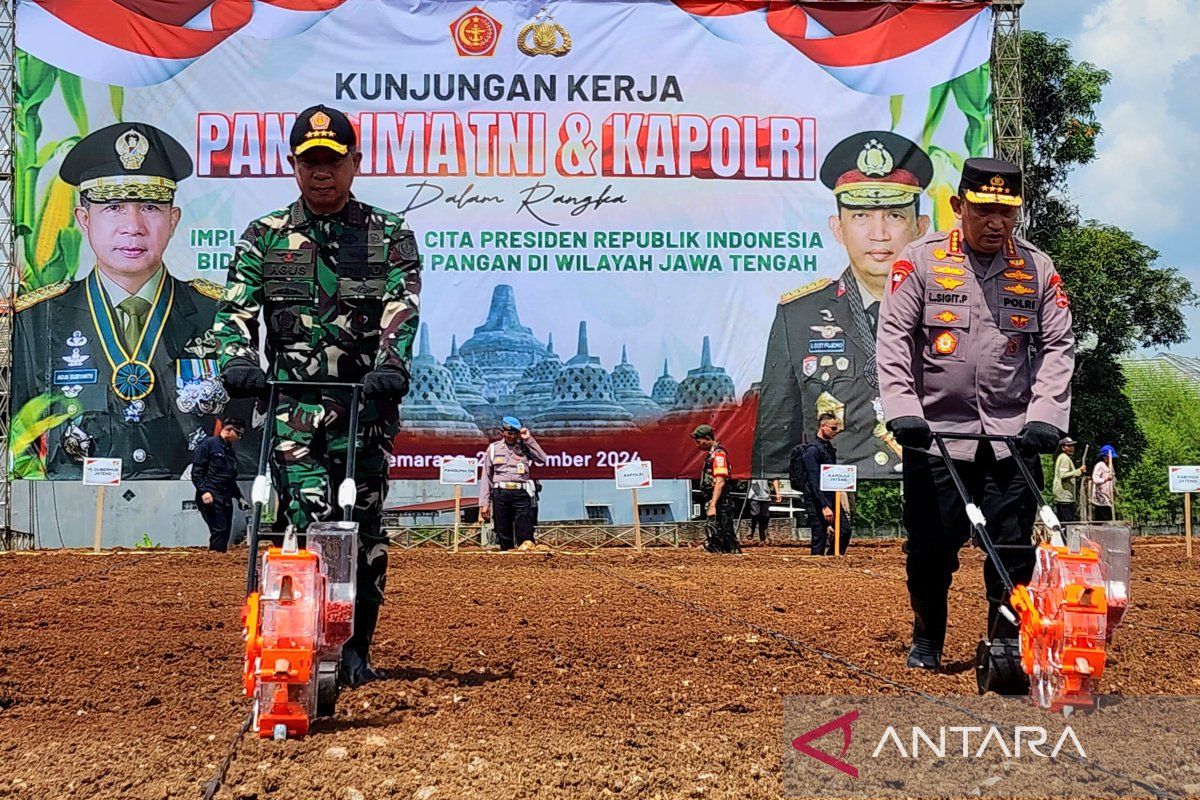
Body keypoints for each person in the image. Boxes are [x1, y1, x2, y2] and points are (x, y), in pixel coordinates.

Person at [212, 104, 421, 686]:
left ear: (355, 162)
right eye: (309, 163)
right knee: (304, 518)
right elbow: (235, 310)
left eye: (332, 161)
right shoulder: (266, 236)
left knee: (365, 528)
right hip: (293, 412)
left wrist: (391, 364)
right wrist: (237, 359)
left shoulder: (388, 235)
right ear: (293, 166)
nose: (321, 173)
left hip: (364, 411)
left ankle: (356, 648)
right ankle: (296, 636)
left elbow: (400, 309)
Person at [876, 157, 1075, 672]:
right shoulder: (918, 262)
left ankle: (1004, 644)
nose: (996, 223)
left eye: (1007, 212)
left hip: (1014, 439)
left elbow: (1057, 344)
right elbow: (894, 338)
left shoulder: (1036, 268)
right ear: (959, 207)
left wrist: (1046, 416)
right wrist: (903, 408)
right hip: (937, 437)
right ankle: (927, 637)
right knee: (929, 552)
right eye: (984, 210)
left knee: (1012, 550)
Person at [12, 122, 232, 479]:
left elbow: (245, 444)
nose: (133, 226)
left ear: (172, 220)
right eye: (113, 207)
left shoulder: (218, 315)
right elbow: (17, 449)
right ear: (84, 220)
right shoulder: (38, 320)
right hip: (71, 524)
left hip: (193, 519)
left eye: (149, 207)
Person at [754, 131, 933, 482]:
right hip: (836, 492)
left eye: (895, 216)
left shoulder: (951, 312)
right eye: (861, 217)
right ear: (838, 228)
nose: (878, 234)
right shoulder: (798, 317)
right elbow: (777, 433)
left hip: (935, 485)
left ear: (920, 229)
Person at [479, 417, 547, 551]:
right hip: (501, 494)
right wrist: (484, 504)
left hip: (521, 493)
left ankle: (525, 564)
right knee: (503, 531)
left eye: (515, 433)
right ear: (502, 432)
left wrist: (528, 439)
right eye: (509, 433)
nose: (513, 436)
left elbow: (543, 459)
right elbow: (486, 477)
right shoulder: (493, 449)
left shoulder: (525, 447)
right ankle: (507, 563)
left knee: (524, 530)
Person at [789, 412, 849, 555]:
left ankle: (831, 561)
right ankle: (816, 570)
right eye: (833, 428)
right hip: (816, 500)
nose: (836, 432)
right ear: (823, 426)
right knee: (819, 537)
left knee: (845, 531)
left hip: (831, 498)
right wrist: (824, 506)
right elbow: (813, 479)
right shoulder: (812, 450)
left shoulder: (828, 448)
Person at [192, 417, 250, 552]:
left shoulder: (229, 450)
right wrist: (204, 491)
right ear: (228, 430)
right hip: (211, 495)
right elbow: (197, 472)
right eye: (238, 434)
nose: (239, 438)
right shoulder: (209, 445)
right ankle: (215, 559)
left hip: (225, 496)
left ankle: (220, 558)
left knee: (226, 531)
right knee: (219, 528)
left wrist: (239, 497)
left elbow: (229, 478)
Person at [692, 424, 740, 554]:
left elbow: (720, 481)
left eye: (699, 441)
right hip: (714, 497)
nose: (698, 445)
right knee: (715, 527)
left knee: (725, 529)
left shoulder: (718, 455)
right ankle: (713, 547)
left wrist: (713, 504)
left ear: (707, 438)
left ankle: (732, 553)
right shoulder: (712, 455)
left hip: (720, 498)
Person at [1052, 437, 1087, 522]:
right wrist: (1079, 471)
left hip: (1064, 496)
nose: (1072, 448)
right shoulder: (1064, 458)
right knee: (1067, 523)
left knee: (1064, 522)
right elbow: (1063, 475)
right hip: (1065, 497)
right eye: (1069, 446)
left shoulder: (1063, 457)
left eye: (1072, 446)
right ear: (1063, 447)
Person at [746, 479, 781, 544]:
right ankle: (752, 528)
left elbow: (774, 479)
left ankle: (763, 538)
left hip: (765, 496)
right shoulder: (753, 469)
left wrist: (777, 493)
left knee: (765, 517)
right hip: (753, 496)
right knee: (755, 513)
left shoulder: (767, 470)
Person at [1091, 445, 1117, 521]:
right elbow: (1095, 479)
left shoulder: (1111, 467)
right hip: (1100, 498)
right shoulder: (1100, 465)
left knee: (1109, 519)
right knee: (1102, 520)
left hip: (1108, 499)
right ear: (1105, 457)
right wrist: (1105, 479)